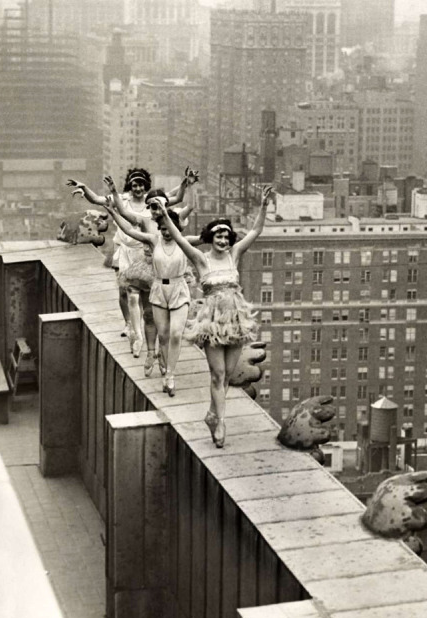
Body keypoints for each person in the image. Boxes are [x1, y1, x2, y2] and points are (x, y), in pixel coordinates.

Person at [158, 185, 273, 448]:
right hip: (211, 322)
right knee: (217, 374)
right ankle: (220, 423)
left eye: (226, 237)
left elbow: (255, 231)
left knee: (229, 375)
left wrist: (264, 206)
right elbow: (178, 238)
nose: (223, 241)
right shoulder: (201, 259)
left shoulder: (235, 254)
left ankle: (212, 414)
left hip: (235, 320)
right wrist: (165, 215)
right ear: (210, 238)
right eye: (218, 236)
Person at [66, 168, 195, 362]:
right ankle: (134, 332)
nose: (138, 188)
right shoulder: (124, 199)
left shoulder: (155, 203)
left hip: (151, 256)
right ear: (130, 186)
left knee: (150, 304)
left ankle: (155, 344)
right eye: (135, 184)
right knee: (127, 294)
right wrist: (86, 189)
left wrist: (187, 183)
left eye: (141, 184)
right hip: (128, 250)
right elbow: (103, 203)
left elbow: (177, 197)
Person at [103, 175, 200, 397]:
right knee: (151, 319)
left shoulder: (175, 223)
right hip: (151, 274)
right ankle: (150, 352)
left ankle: (167, 368)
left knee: (171, 332)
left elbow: (189, 205)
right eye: (152, 206)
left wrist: (189, 186)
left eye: (159, 205)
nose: (156, 210)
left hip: (174, 277)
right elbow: (128, 223)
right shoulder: (150, 227)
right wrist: (114, 204)